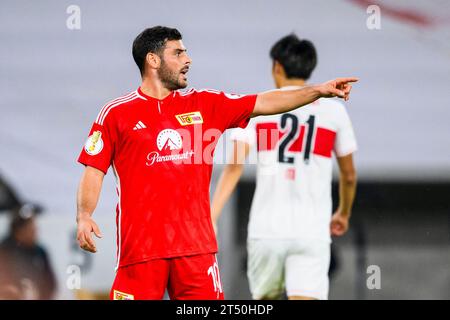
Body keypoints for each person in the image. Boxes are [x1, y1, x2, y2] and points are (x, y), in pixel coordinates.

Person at [76, 26, 357, 300]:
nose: (188, 59)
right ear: (153, 59)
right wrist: (85, 215)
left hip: (196, 251)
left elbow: (265, 102)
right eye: (178, 53)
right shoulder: (116, 114)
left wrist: (317, 91)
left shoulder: (205, 104)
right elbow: (94, 169)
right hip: (140, 252)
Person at [211, 34, 358, 300]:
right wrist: (343, 213)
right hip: (311, 231)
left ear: (276, 66)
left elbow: (233, 168)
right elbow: (348, 175)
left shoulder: (258, 107)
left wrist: (211, 215)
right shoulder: (333, 111)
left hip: (266, 232)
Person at [0, 203, 57, 299]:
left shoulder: (40, 252)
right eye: (31, 227)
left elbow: (51, 283)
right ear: (18, 230)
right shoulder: (4, 251)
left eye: (34, 226)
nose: (35, 230)